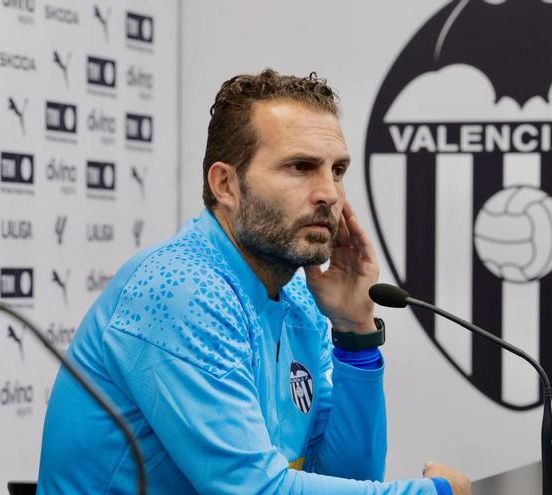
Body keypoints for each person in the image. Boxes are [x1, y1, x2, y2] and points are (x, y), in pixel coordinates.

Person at [37, 69, 471, 495]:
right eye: (301, 167)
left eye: (337, 170)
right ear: (226, 184)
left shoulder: (300, 296)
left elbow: (350, 477)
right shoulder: (179, 287)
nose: (330, 194)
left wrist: (353, 332)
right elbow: (253, 490)